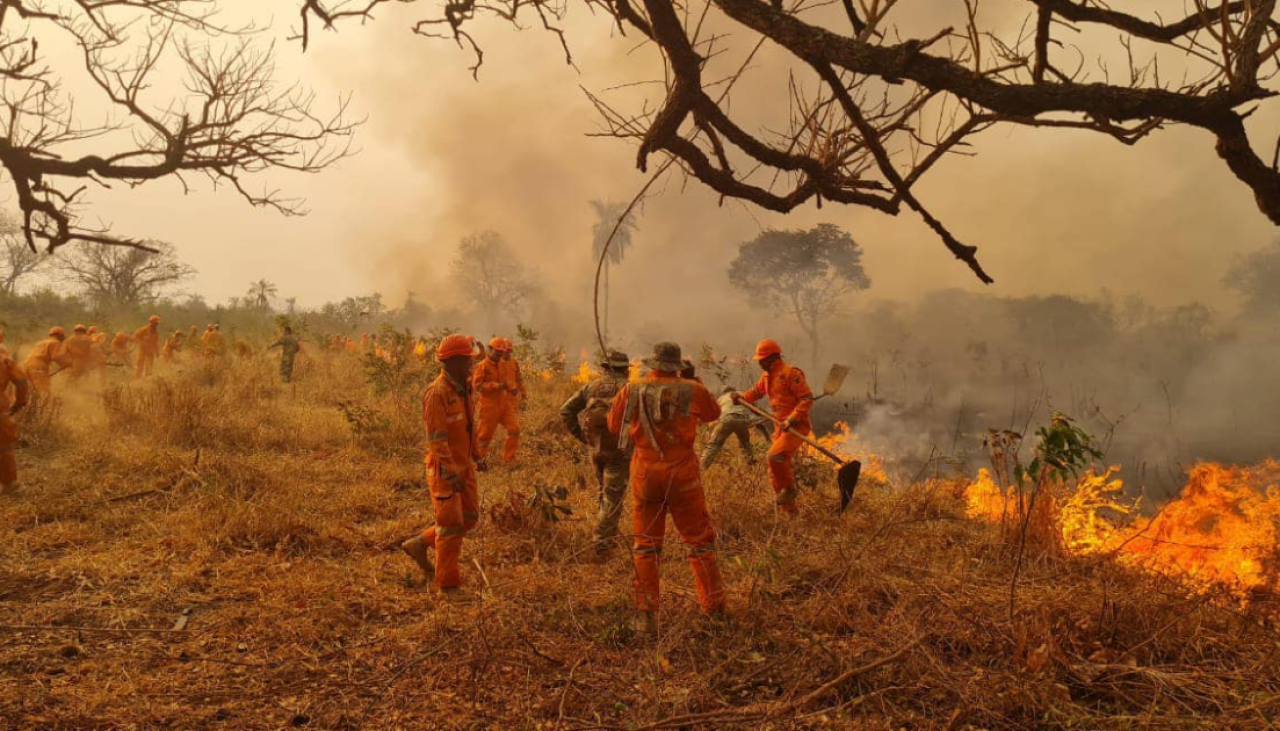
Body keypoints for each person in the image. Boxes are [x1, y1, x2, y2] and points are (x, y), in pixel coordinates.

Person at [608, 342, 725, 634]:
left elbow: (613, 425)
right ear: (678, 366)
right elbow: (712, 414)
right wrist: (693, 379)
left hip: (645, 475)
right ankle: (714, 611)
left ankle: (645, 616)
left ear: (652, 363)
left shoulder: (631, 389)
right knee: (699, 542)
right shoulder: (692, 390)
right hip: (683, 477)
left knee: (646, 546)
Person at [401, 334, 483, 600]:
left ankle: (420, 543)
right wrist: (449, 472)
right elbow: (436, 439)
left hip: (465, 465)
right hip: (445, 470)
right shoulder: (436, 393)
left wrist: (478, 456)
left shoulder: (465, 386)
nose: (470, 365)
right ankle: (447, 586)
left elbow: (470, 426)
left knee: (469, 518)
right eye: (466, 361)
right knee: (449, 526)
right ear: (452, 362)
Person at [560, 349, 634, 553]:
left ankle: (607, 534)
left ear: (606, 368)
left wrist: (582, 437)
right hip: (619, 451)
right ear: (624, 370)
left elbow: (566, 410)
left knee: (604, 492)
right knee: (613, 497)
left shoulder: (590, 387)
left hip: (596, 449)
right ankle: (602, 543)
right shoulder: (629, 389)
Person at [733, 339, 814, 516]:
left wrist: (792, 419)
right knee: (774, 470)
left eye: (762, 359)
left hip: (796, 426)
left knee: (775, 456)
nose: (759, 363)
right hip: (780, 427)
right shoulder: (767, 377)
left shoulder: (790, 373)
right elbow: (755, 393)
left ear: (772, 358)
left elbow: (807, 398)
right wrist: (740, 397)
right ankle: (790, 512)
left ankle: (790, 489)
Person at [701, 386, 774, 470]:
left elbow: (714, 413)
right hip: (742, 420)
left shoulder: (721, 399)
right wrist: (763, 417)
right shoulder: (742, 394)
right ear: (734, 390)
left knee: (714, 444)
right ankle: (751, 467)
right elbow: (755, 410)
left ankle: (703, 466)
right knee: (745, 445)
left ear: (724, 393)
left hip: (726, 420)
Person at [473, 337, 520, 464]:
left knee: (514, 429)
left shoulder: (503, 364)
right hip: (488, 408)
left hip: (504, 405)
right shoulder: (481, 366)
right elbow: (477, 386)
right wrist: (495, 386)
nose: (499, 353)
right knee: (483, 438)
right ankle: (479, 462)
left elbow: (507, 381)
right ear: (490, 349)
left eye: (501, 351)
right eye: (497, 351)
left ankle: (508, 459)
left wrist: (512, 388)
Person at [0, 347, 30, 496]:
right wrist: (19, 403)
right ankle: (10, 485)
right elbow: (21, 382)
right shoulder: (4, 359)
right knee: (3, 447)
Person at [24, 327, 71, 394]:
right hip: (38, 367)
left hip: (27, 365)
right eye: (63, 336)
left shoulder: (42, 342)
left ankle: (32, 404)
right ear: (59, 335)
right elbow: (56, 357)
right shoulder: (55, 342)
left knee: (33, 390)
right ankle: (40, 404)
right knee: (44, 392)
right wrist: (66, 363)